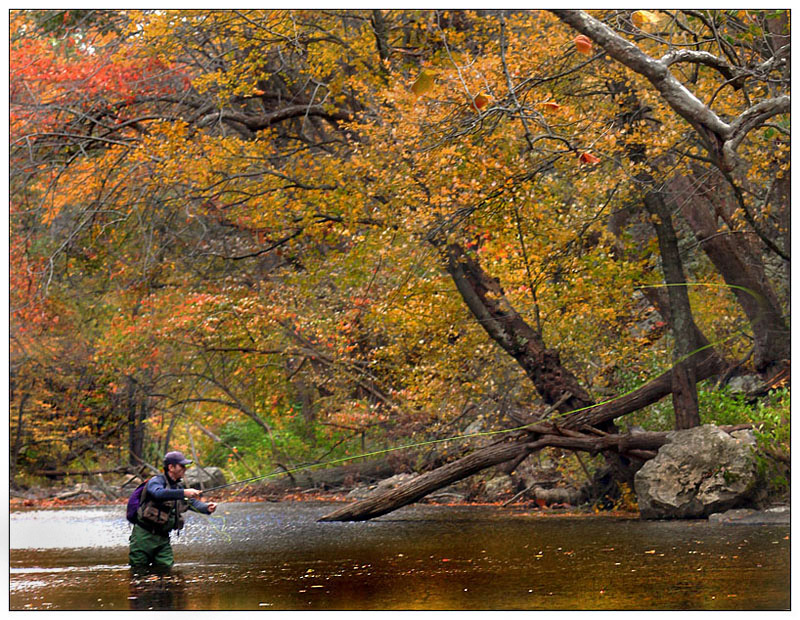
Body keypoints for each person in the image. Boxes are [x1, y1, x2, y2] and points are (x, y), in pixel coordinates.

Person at [129, 451, 217, 571]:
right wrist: (183, 492)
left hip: (163, 539)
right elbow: (157, 493)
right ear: (171, 467)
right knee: (138, 571)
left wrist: (206, 507)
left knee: (166, 570)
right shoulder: (156, 481)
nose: (185, 469)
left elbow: (190, 503)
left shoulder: (178, 487)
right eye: (182, 466)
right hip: (143, 537)